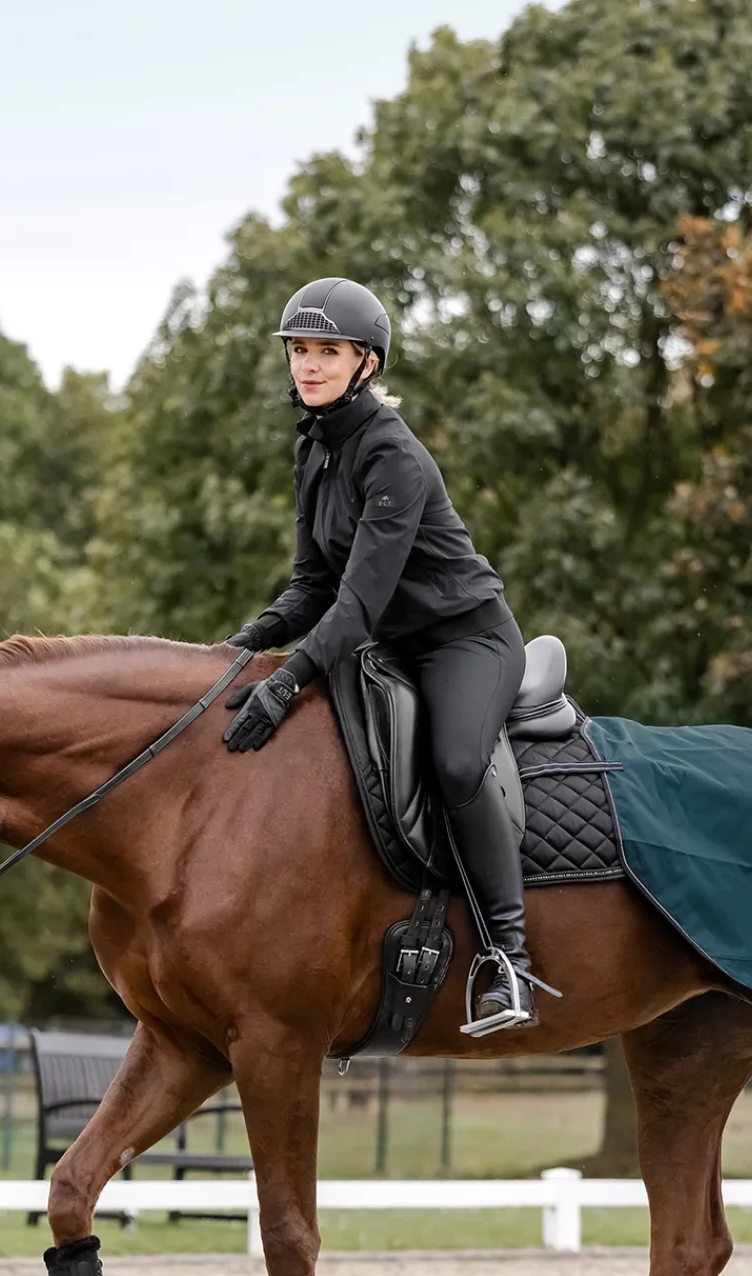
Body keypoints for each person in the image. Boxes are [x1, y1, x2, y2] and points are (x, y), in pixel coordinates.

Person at [221, 276, 544, 1030]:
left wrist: (291, 678)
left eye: (327, 351)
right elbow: (310, 588)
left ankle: (511, 961)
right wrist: (235, 653)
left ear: (366, 363)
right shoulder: (313, 446)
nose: (308, 365)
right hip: (389, 649)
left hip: (466, 640)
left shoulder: (392, 456)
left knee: (458, 763)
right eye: (300, 350)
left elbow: (357, 603)